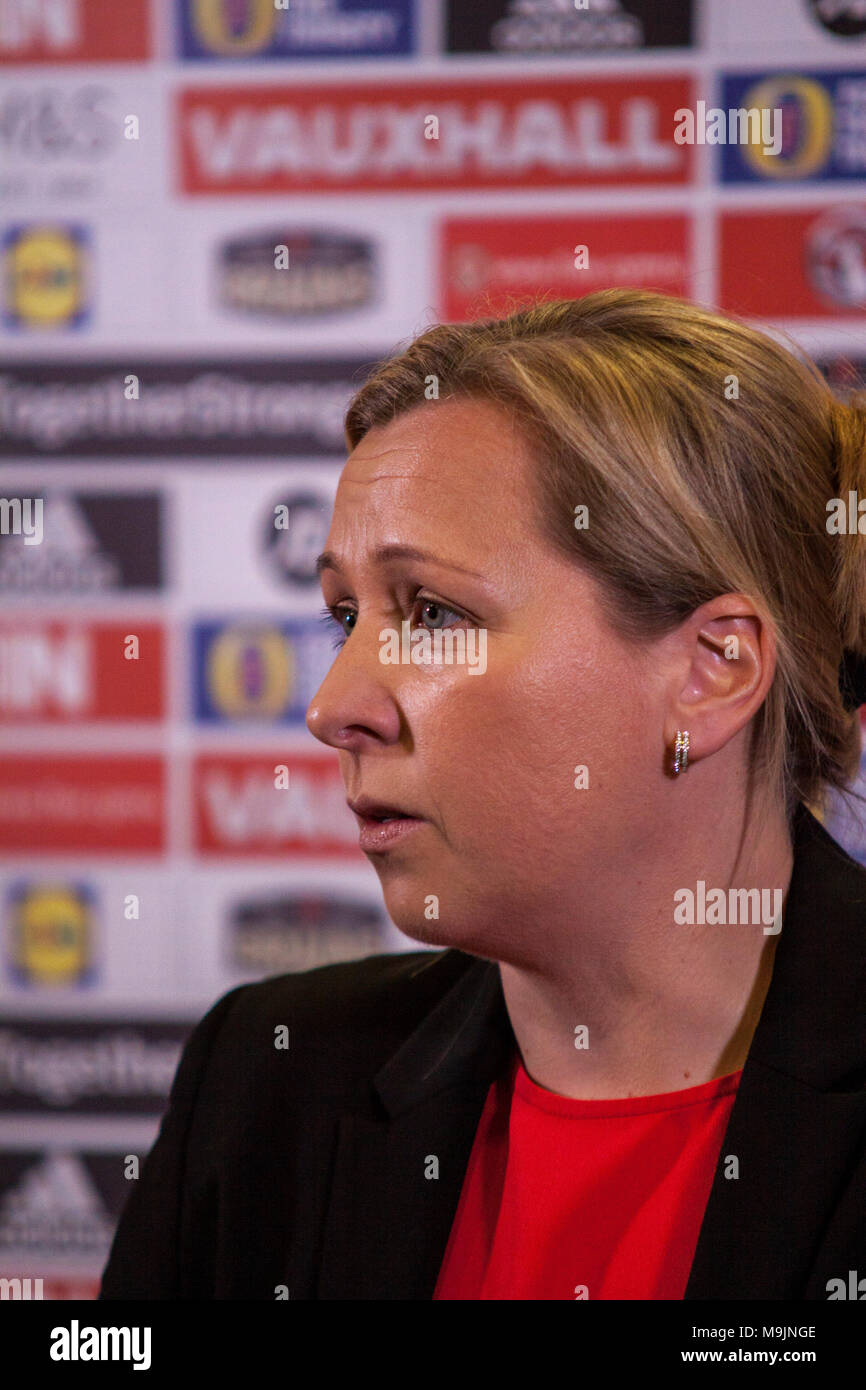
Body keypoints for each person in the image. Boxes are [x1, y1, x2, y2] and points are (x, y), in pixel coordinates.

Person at [100, 290, 866, 1300]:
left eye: (433, 613)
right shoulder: (264, 1082)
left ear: (710, 669)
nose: (334, 709)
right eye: (345, 616)